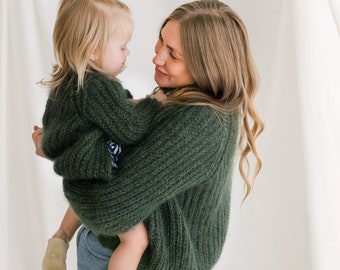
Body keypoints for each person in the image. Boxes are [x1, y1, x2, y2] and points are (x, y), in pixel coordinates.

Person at [32, 1, 264, 269]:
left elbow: (111, 209)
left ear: (207, 65)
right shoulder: (185, 97)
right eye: (161, 41)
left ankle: (60, 237)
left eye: (173, 54)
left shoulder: (200, 123)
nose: (157, 57)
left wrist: (58, 151)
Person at [35, 0, 165, 269]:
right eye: (121, 46)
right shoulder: (97, 87)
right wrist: (154, 104)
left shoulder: (67, 84)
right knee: (136, 240)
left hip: (80, 188)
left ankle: (59, 240)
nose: (127, 52)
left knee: (87, 201)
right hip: (100, 188)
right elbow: (129, 128)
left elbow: (61, 131)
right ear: (93, 51)